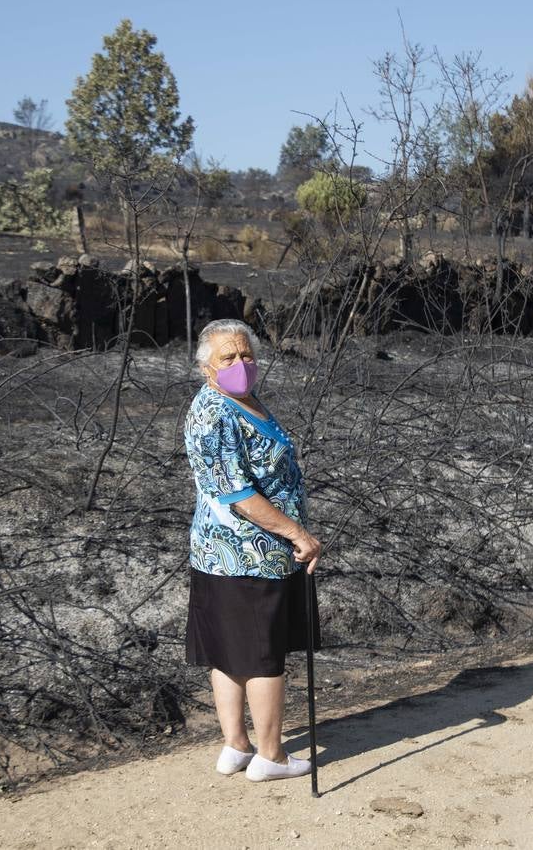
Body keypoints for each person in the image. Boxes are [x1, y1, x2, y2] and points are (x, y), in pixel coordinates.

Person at [183, 318, 323, 782]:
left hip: (227, 552)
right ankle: (269, 756)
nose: (240, 363)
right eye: (228, 357)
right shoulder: (216, 413)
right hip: (248, 553)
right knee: (263, 655)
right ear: (207, 368)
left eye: (246, 355)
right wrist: (297, 534)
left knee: (229, 650)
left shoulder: (242, 400)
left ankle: (236, 746)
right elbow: (239, 495)